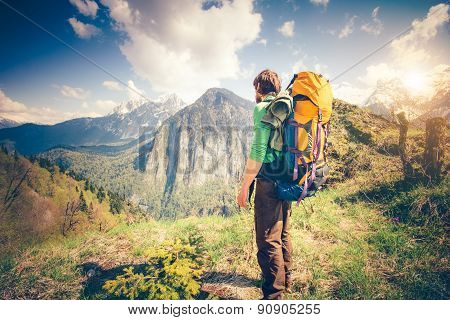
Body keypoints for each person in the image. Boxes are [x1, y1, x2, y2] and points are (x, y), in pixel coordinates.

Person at [237, 69, 292, 300]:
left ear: (259, 89)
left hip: (268, 180)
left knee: (268, 238)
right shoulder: (287, 108)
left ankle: (273, 297)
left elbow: (259, 151)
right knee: (283, 232)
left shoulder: (262, 108)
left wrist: (244, 188)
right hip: (288, 177)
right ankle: (286, 281)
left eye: (255, 89)